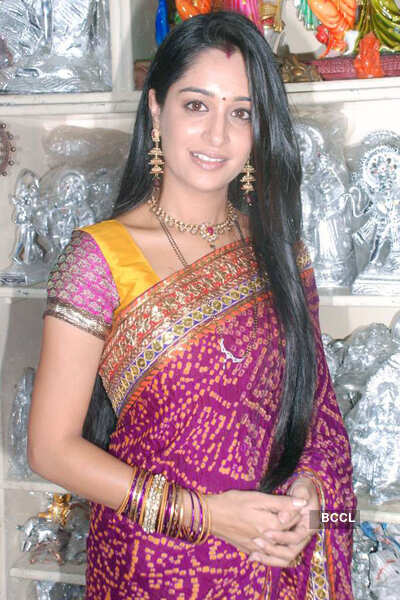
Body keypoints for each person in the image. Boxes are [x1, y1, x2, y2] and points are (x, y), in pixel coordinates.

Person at [28, 11, 356, 600]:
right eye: (197, 105)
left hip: (269, 562)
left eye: (241, 113)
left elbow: (316, 410)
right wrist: (206, 516)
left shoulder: (282, 254)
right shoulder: (101, 259)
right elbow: (51, 449)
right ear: (156, 110)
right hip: (152, 565)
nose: (217, 136)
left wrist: (311, 502)